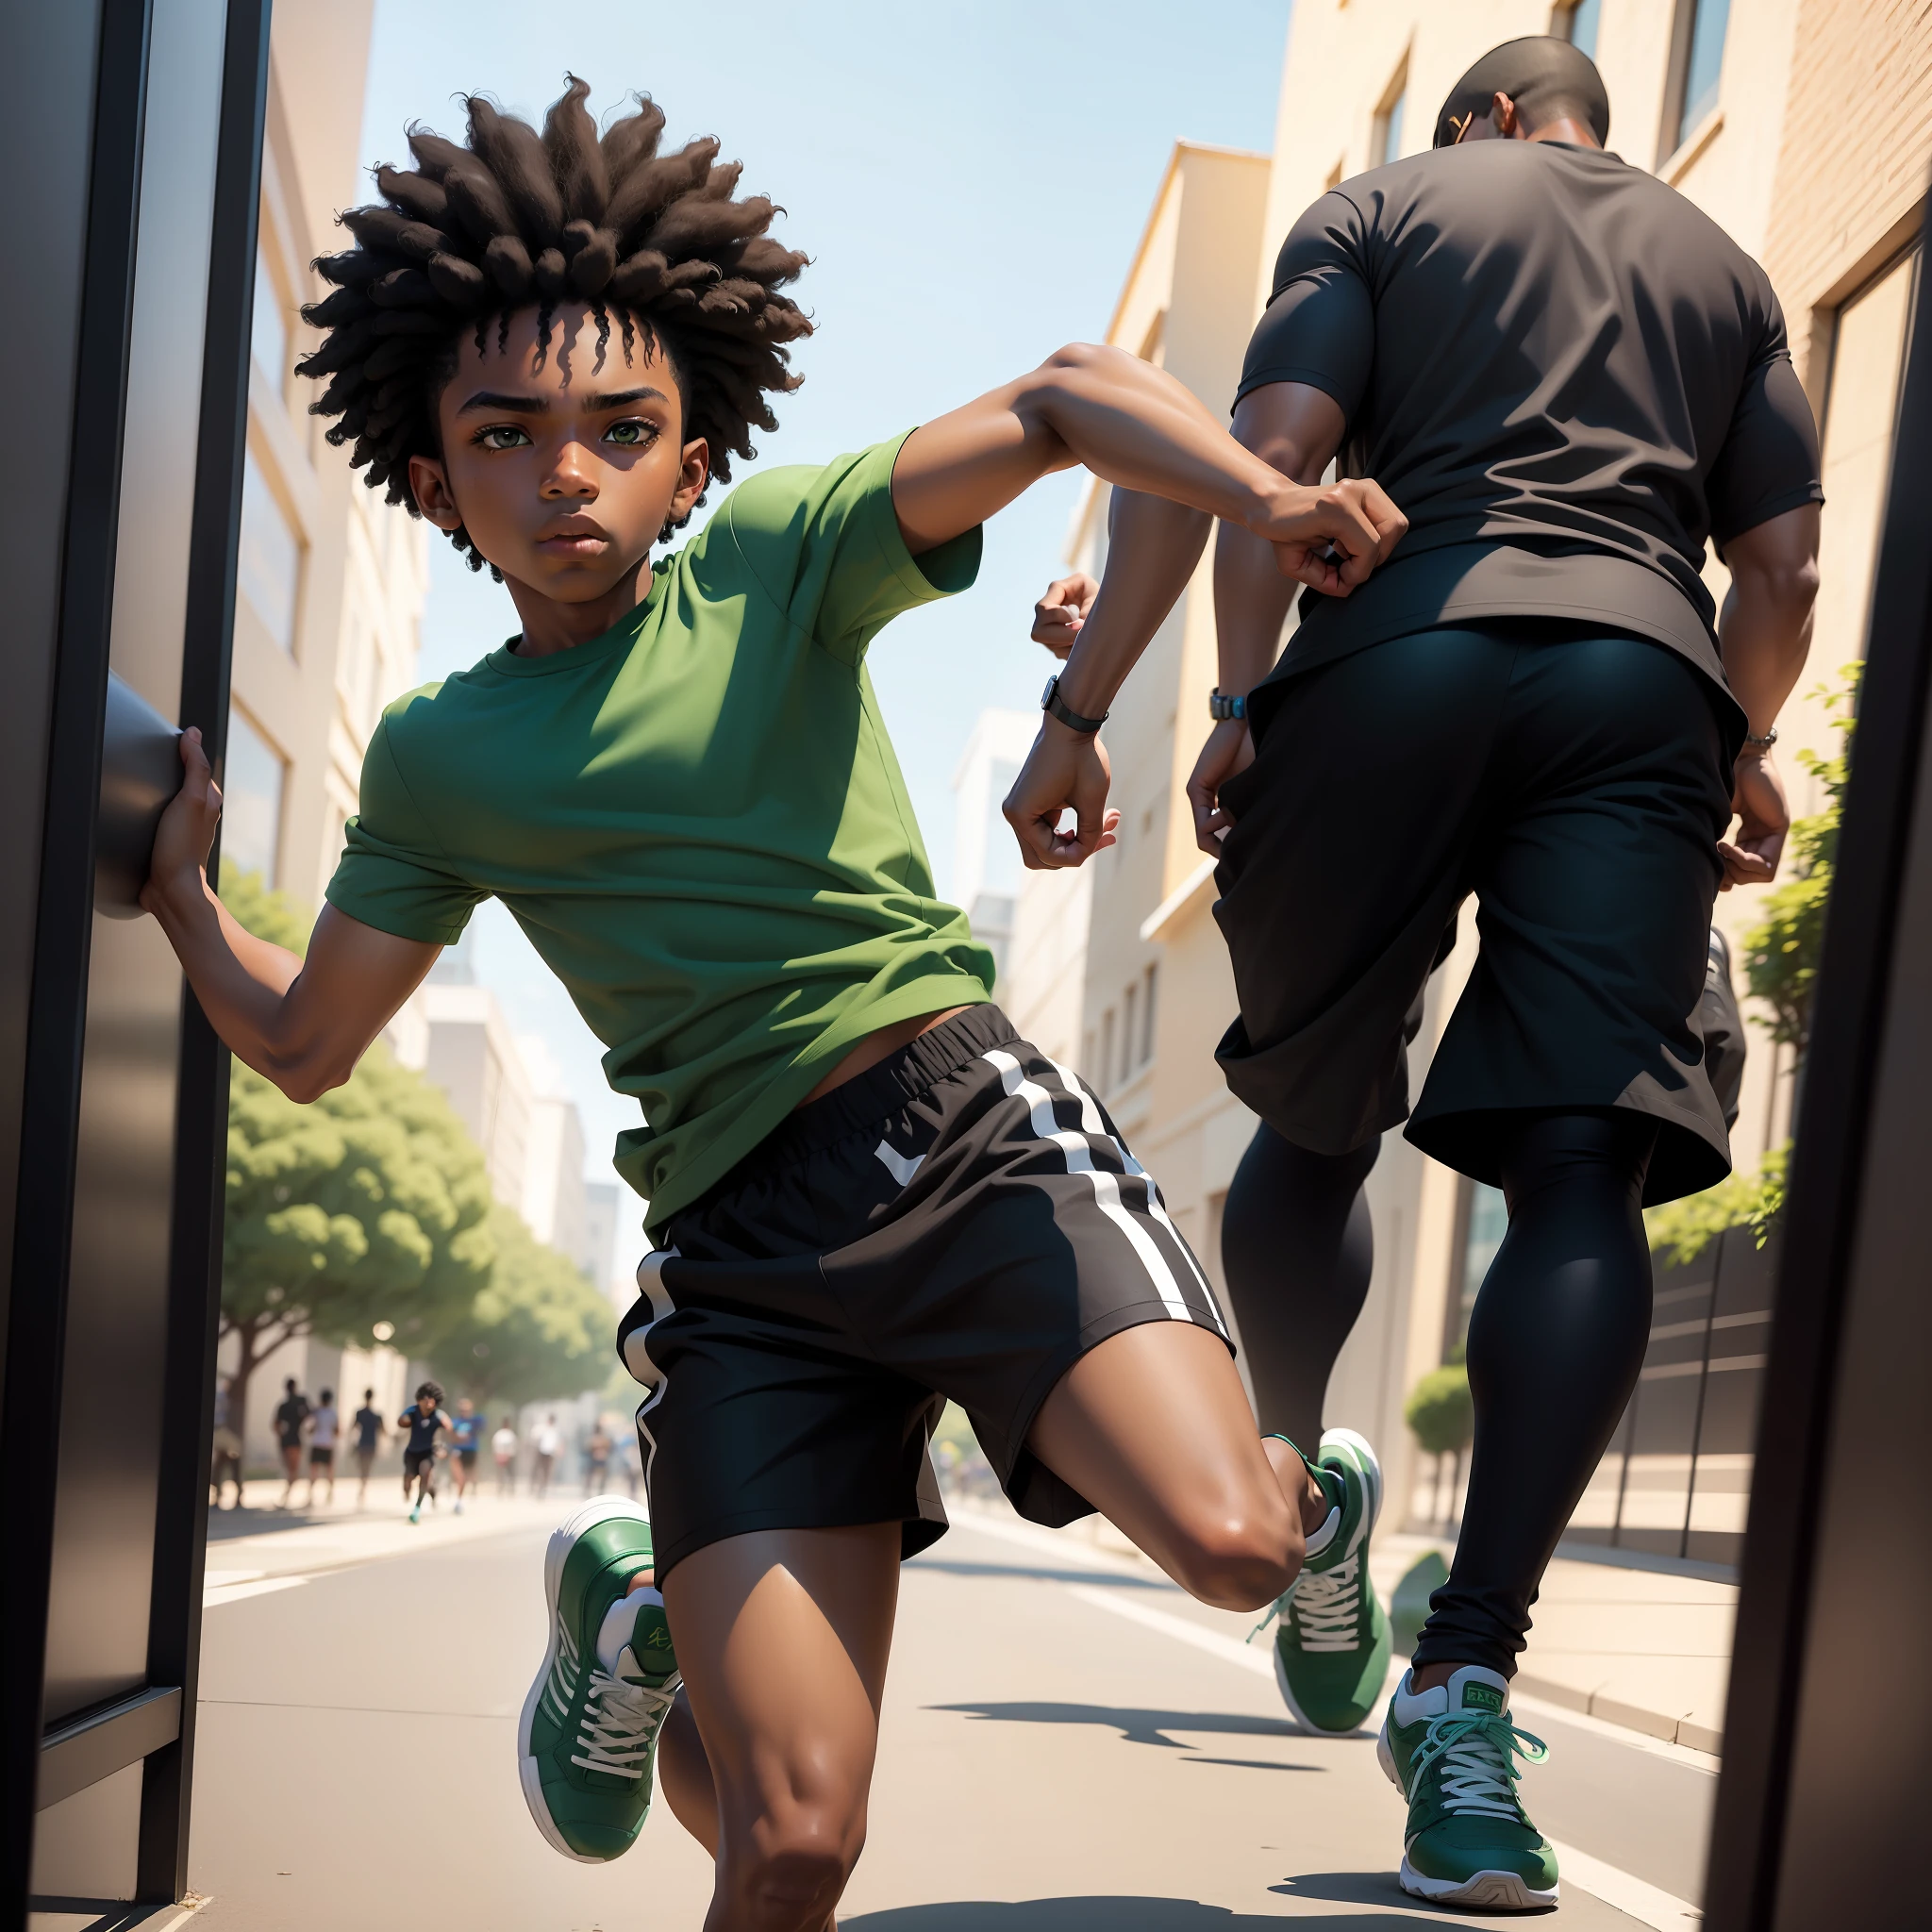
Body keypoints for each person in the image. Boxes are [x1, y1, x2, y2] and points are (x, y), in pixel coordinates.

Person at [137, 80, 1403, 1923]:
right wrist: (178, 890)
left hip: (969, 1146)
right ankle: (647, 1620)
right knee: (788, 1832)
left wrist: (1269, 493)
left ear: (690, 453)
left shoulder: (780, 557)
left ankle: (1311, 1506)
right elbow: (312, 1041)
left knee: (1226, 1544)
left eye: (616, 428)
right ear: (428, 479)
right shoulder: (439, 758)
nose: (564, 472)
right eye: (505, 434)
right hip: (739, 1259)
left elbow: (1063, 396)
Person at [1007, 35, 1821, 1912]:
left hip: (1388, 665)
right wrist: (1740, 742)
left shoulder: (1375, 208)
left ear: (1473, 127)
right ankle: (1465, 1684)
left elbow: (1268, 467)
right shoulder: (1721, 271)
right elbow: (1774, 572)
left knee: (1307, 1112)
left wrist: (1224, 703)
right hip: (1636, 687)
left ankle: (1293, 1501)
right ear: (1594, 135)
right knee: (1578, 1166)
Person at [397, 1380, 454, 1525]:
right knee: (409, 1479)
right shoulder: (412, 1411)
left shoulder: (439, 1415)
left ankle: (417, 1508)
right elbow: (401, 1421)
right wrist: (404, 1422)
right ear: (419, 1399)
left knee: (425, 1472)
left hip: (428, 1452)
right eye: (425, 1399)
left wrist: (444, 1448)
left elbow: (449, 1429)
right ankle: (426, 1491)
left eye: (432, 1399)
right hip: (411, 1453)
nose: (428, 1403)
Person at [273, 1377, 310, 1509]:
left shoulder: (285, 1405)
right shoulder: (298, 1403)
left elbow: (276, 1425)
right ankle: (288, 1495)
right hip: (293, 1439)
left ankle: (286, 1496)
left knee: (292, 1470)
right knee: (292, 1470)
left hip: (288, 1439)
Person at [449, 1395, 485, 1515]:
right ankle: (458, 1500)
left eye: (466, 1406)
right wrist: (458, 1439)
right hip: (458, 1451)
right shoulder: (455, 1422)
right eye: (462, 1407)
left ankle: (462, 1497)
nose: (464, 1409)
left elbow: (481, 1429)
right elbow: (451, 1436)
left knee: (468, 1476)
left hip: (471, 1451)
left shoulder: (476, 1421)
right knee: (460, 1478)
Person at [209, 1374, 242, 1508]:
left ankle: (235, 1493)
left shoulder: (229, 1400)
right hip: (223, 1435)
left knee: (229, 1464)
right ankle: (220, 1494)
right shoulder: (223, 1398)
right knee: (221, 1465)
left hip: (228, 1436)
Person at [305, 1387, 339, 1508]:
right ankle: (329, 1492)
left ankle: (311, 1494)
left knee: (314, 1469)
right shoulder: (333, 1413)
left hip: (317, 1443)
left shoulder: (316, 1412)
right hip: (328, 1444)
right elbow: (337, 1430)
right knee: (329, 1470)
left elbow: (309, 1429)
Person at [351, 1387, 386, 1507]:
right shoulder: (376, 1415)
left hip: (363, 1444)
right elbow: (383, 1431)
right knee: (367, 1468)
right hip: (371, 1444)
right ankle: (363, 1487)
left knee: (362, 1467)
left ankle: (362, 1487)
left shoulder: (360, 1413)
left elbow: (353, 1428)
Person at [530, 1414, 560, 1501]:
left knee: (546, 1472)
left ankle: (542, 1489)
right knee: (538, 1470)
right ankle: (535, 1487)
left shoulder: (554, 1430)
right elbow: (535, 1436)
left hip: (549, 1454)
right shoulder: (542, 1429)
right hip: (540, 1452)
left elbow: (556, 1443)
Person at [583, 1417, 612, 1497]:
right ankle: (589, 1490)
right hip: (594, 1458)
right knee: (591, 1475)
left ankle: (598, 1491)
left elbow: (609, 1447)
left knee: (599, 1475)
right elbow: (588, 1448)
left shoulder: (602, 1438)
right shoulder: (593, 1438)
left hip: (600, 1458)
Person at [492, 1414, 519, 1495]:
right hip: (501, 1456)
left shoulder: (510, 1434)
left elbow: (514, 1446)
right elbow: (495, 1445)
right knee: (501, 1474)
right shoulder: (499, 1434)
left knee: (510, 1474)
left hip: (509, 1456)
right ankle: (500, 1488)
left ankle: (511, 1489)